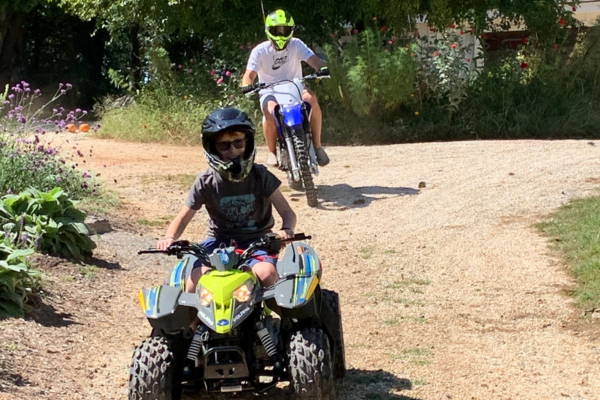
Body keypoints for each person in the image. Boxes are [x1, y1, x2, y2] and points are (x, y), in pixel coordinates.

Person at [156, 107, 297, 293]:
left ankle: (284, 320)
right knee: (194, 280)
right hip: (218, 243)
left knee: (266, 273)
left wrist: (286, 229)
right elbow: (182, 218)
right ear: (212, 148)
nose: (233, 150)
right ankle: (190, 323)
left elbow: (287, 212)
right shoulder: (206, 181)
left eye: (239, 143)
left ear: (248, 143)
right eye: (224, 145)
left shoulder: (260, 175)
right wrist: (169, 238)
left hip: (258, 241)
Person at [241, 9, 330, 168]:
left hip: (295, 86)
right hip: (269, 91)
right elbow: (249, 74)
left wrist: (320, 68)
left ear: (291, 30)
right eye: (277, 30)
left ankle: (317, 146)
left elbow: (313, 60)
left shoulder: (296, 44)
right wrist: (247, 84)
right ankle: (272, 152)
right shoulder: (260, 51)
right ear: (269, 31)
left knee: (311, 99)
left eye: (285, 30)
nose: (281, 34)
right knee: (270, 110)